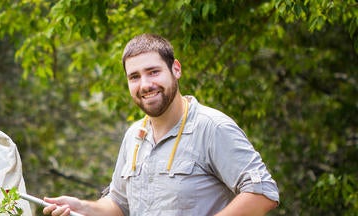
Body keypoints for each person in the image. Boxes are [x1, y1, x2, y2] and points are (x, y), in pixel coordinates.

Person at [42, 33, 279, 216]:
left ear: (176, 69)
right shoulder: (134, 135)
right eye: (134, 77)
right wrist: (81, 207)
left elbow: (262, 193)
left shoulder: (212, 127)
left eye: (153, 72)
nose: (145, 84)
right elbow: (119, 204)